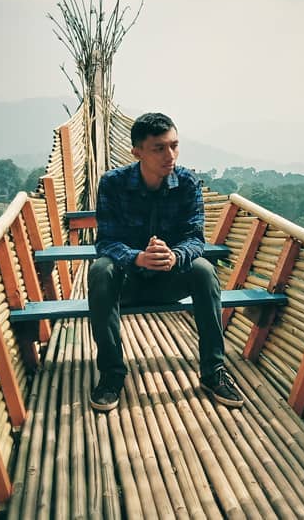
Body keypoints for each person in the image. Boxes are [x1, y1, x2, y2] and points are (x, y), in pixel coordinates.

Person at [87, 112, 244, 412]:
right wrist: (137, 258)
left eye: (174, 145)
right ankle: (111, 374)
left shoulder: (187, 183)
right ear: (137, 152)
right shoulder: (113, 183)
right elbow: (105, 241)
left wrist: (175, 256)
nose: (169, 155)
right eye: (159, 148)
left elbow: (195, 238)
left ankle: (213, 371)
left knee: (204, 270)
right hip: (126, 284)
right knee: (100, 269)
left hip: (169, 280)